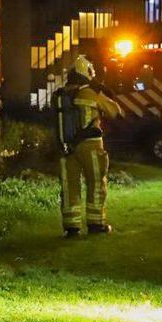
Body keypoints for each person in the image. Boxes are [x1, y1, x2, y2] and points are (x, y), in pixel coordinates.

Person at [57, 55, 123, 236]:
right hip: (90, 145)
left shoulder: (63, 95)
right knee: (96, 183)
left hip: (67, 147)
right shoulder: (89, 93)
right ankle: (96, 225)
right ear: (86, 72)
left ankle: (71, 228)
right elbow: (115, 112)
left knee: (70, 186)